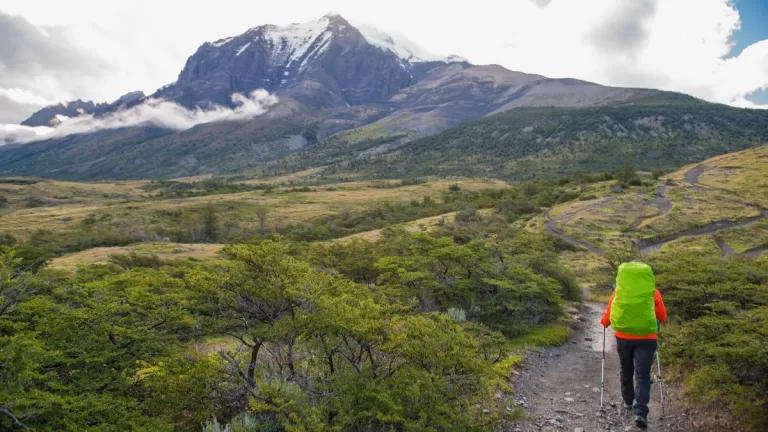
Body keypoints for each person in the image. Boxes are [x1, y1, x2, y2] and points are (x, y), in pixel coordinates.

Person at [601, 261, 667, 429]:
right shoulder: (653, 292)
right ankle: (641, 412)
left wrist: (604, 322)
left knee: (626, 369)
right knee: (643, 375)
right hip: (647, 338)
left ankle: (628, 401)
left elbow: (609, 312)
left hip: (624, 337)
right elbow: (662, 316)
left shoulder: (619, 292)